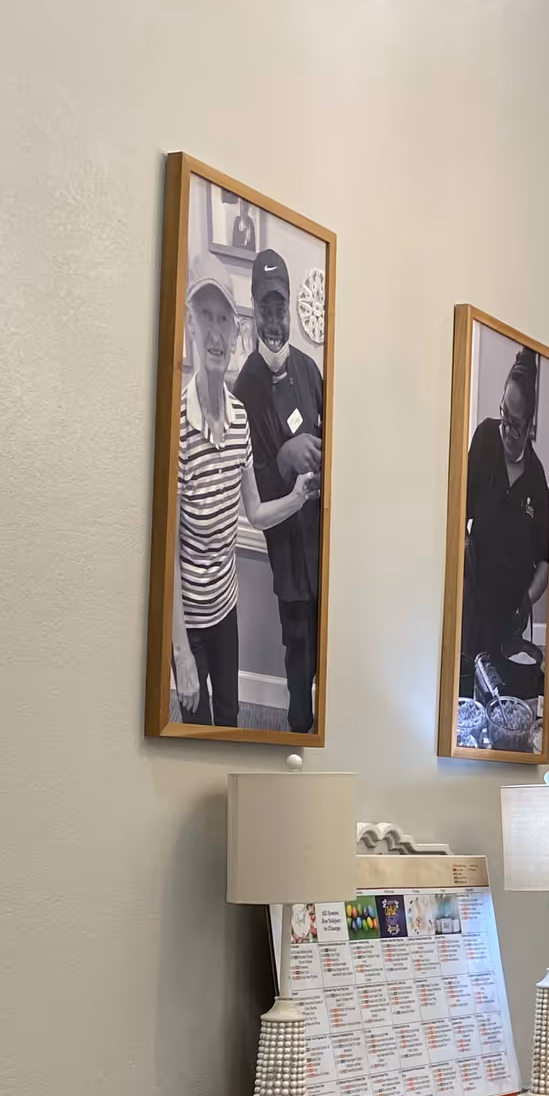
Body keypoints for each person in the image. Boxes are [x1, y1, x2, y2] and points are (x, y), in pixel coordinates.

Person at [172, 272, 314, 729]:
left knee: (229, 720)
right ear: (189, 326)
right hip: (188, 615)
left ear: (234, 333)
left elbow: (254, 511)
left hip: (226, 605)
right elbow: (165, 552)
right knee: (196, 725)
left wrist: (296, 497)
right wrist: (180, 653)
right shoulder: (175, 422)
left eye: (222, 320)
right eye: (203, 317)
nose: (214, 331)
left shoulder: (237, 418)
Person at [232, 248, 325, 733]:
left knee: (328, 658)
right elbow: (252, 488)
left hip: (322, 544)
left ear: (289, 310)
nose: (273, 320)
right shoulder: (245, 386)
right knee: (298, 656)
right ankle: (298, 737)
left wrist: (318, 454)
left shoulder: (310, 371)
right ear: (253, 309)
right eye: (264, 308)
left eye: (279, 307)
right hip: (289, 555)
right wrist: (285, 459)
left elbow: (335, 441)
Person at [459, 345, 549, 696]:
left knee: (504, 698)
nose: (508, 430)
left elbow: (545, 559)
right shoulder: (484, 439)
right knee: (468, 692)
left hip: (511, 615)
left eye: (517, 425)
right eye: (505, 417)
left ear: (531, 425)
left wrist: (527, 599)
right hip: (475, 602)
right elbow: (458, 512)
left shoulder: (536, 480)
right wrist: (462, 550)